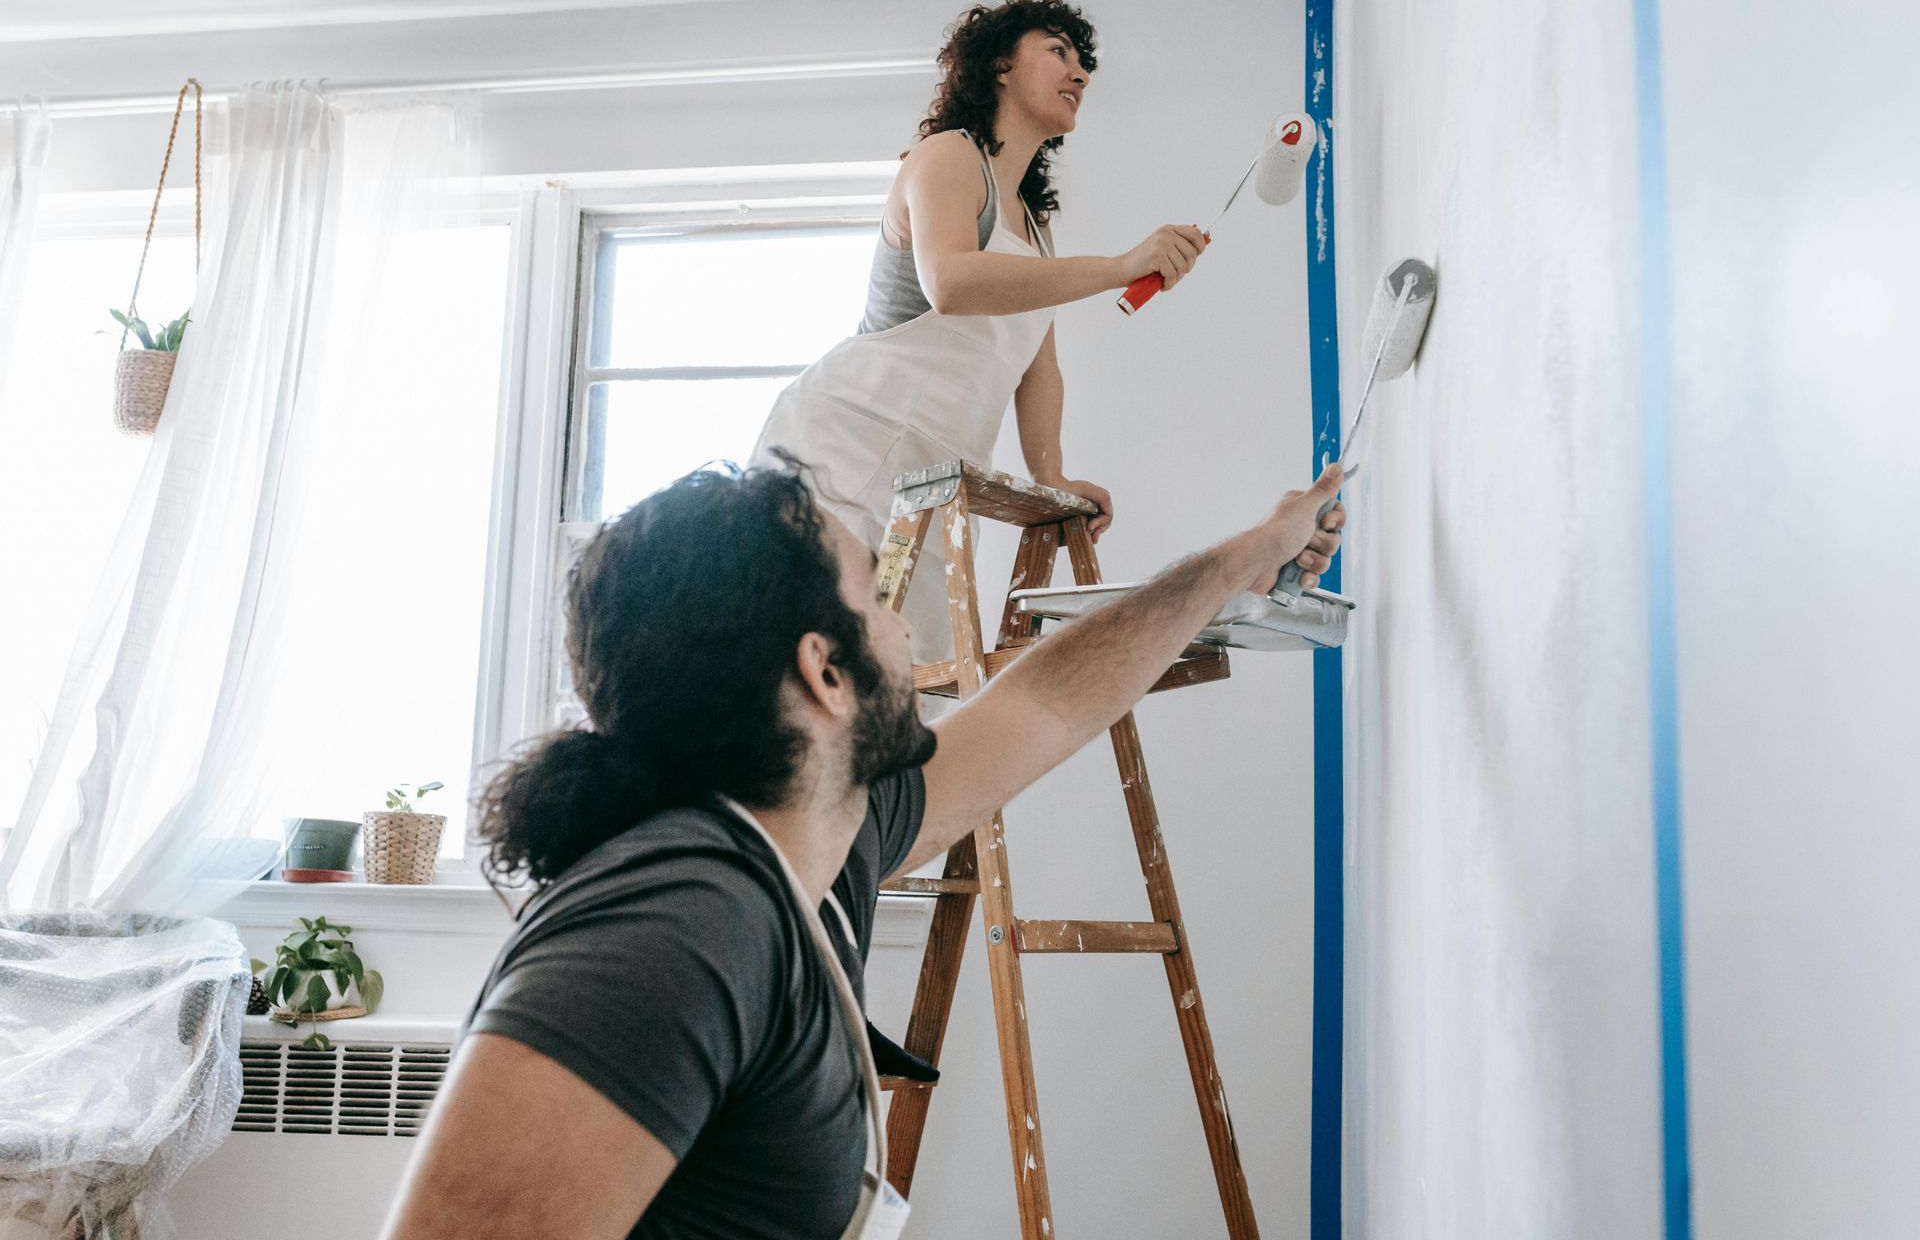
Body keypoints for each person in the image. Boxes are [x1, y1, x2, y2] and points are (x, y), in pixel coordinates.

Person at [378, 455, 1345, 1240]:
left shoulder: (821, 842)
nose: (906, 623)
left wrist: (1241, 560)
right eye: (877, 596)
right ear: (826, 672)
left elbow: (1047, 703)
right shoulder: (674, 930)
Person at [750, 0, 1210, 659]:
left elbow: (1037, 367)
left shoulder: (1034, 223)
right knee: (817, 665)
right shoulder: (947, 157)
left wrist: (1052, 476)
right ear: (999, 65)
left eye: (1083, 61)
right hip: (850, 446)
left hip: (935, 483)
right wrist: (1119, 266)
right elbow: (952, 283)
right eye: (1058, 52)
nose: (1080, 73)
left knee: (907, 690)